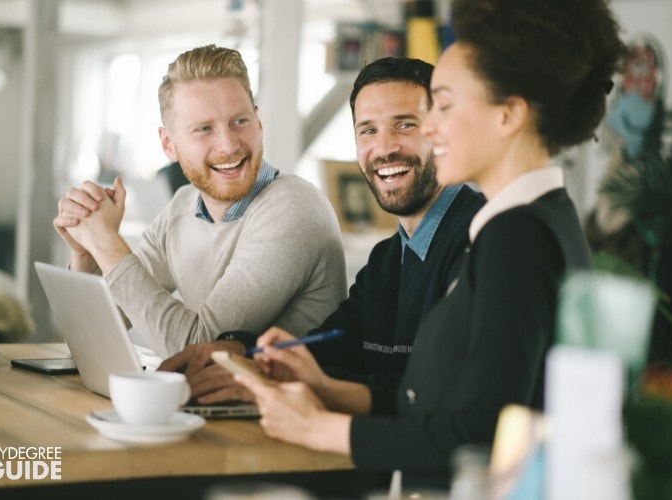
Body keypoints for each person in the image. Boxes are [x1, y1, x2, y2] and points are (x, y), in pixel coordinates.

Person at [234, 0, 625, 490]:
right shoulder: (533, 221)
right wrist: (328, 389)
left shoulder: (517, 237)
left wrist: (322, 428)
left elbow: (481, 434)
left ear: (507, 115)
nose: (431, 127)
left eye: (445, 105)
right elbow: (442, 402)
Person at [159, 57, 484, 403]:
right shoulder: (387, 260)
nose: (385, 147)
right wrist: (239, 352)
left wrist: (284, 385)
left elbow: (445, 396)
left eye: (405, 125)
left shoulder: (484, 238)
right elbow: (331, 349)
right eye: (368, 130)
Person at [53, 45, 347, 357]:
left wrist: (106, 244)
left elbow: (201, 350)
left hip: (288, 405)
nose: (229, 145)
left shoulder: (293, 208)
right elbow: (90, 334)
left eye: (239, 122)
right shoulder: (183, 206)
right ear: (169, 144)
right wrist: (86, 255)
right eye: (204, 129)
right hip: (208, 403)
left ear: (258, 124)